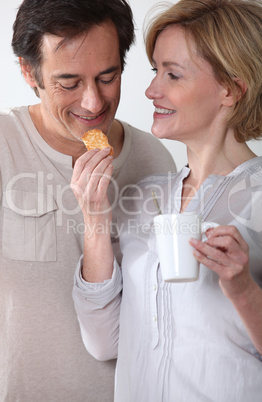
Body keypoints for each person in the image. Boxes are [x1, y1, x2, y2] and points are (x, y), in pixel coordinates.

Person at [72, 0, 262, 401]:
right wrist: (94, 219)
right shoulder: (144, 196)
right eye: (154, 70)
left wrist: (242, 287)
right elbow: (103, 343)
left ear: (231, 89)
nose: (150, 90)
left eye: (172, 74)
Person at [0, 0, 176, 400]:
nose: (94, 104)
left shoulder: (155, 160)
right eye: (68, 82)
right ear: (30, 72)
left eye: (108, 76)